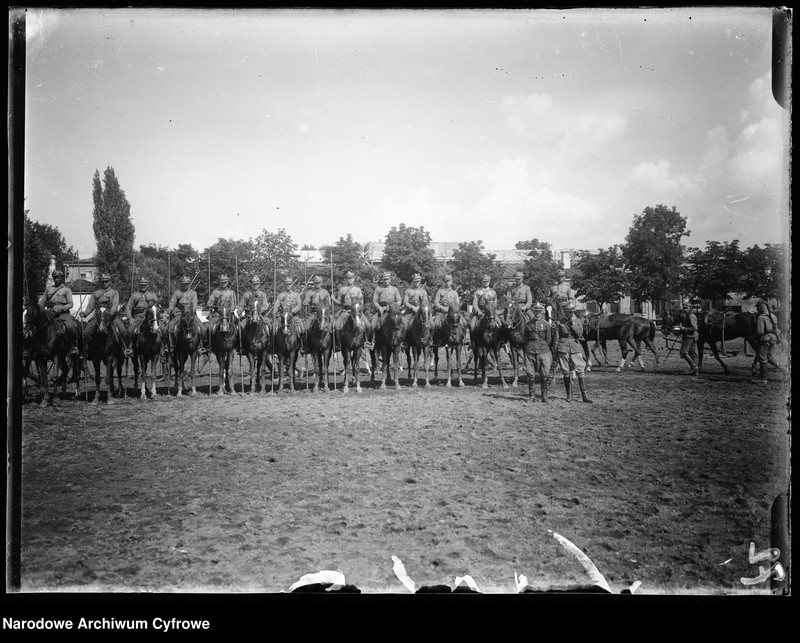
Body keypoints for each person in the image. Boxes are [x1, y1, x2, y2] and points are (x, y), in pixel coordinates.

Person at [554, 301, 593, 403]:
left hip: (575, 347)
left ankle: (584, 395)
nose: (571, 313)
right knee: (565, 371)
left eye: (572, 311)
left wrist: (573, 324)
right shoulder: (560, 322)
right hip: (563, 347)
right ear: (565, 311)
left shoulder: (579, 321)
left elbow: (579, 334)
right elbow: (557, 337)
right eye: (568, 311)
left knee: (580, 369)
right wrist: (555, 351)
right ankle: (569, 395)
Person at [80, 273, 128, 350]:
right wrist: (85, 313)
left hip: (112, 317)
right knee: (86, 332)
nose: (104, 283)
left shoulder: (114, 292)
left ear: (110, 282)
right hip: (98, 317)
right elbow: (91, 306)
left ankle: (124, 349)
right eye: (102, 281)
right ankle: (86, 350)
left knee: (123, 331)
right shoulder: (96, 293)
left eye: (106, 281)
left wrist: (110, 313)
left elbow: (115, 305)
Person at [38, 269, 79, 355]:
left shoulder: (66, 290)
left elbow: (70, 304)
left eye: (58, 278)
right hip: (50, 313)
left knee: (70, 327)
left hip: (63, 314)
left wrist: (61, 308)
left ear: (61, 278)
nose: (56, 279)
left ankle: (73, 347)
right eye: (55, 278)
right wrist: (38, 308)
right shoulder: (48, 289)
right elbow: (42, 302)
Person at [523, 302, 554, 402]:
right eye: (535, 311)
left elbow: (549, 339)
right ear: (533, 311)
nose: (537, 313)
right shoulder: (528, 324)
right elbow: (525, 339)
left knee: (544, 373)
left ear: (542, 312)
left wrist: (542, 347)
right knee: (530, 374)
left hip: (543, 351)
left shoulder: (546, 324)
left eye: (539, 311)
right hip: (530, 350)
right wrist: (529, 347)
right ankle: (531, 395)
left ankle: (544, 396)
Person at [750, 300, 786, 383]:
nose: (757, 309)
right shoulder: (773, 316)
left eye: (758, 307)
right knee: (768, 357)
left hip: (765, 340)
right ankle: (785, 371)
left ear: (761, 307)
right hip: (773, 339)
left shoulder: (761, 317)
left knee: (762, 358)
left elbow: (760, 332)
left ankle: (763, 378)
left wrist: (753, 338)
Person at [125, 277, 166, 344]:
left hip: (151, 318)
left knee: (164, 329)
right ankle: (129, 349)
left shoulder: (152, 295)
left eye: (145, 285)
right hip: (138, 317)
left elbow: (157, 308)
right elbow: (128, 308)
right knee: (130, 331)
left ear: (148, 285)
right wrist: (130, 318)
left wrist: (159, 317)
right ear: (139, 285)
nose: (143, 286)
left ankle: (164, 347)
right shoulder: (135, 295)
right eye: (141, 285)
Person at [166, 275, 201, 354]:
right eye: (184, 283)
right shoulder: (177, 293)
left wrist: (191, 312)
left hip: (191, 315)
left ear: (189, 284)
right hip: (179, 314)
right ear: (181, 284)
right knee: (170, 327)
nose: (185, 285)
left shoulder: (193, 293)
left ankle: (201, 347)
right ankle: (171, 346)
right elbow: (172, 303)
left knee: (202, 328)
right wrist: (170, 310)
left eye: (187, 283)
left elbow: (194, 304)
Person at [206, 274, 238, 345]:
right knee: (209, 328)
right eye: (222, 282)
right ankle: (209, 345)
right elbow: (210, 302)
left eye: (225, 282)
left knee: (238, 327)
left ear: (227, 282)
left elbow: (233, 304)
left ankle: (237, 345)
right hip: (217, 315)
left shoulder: (231, 292)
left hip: (228, 315)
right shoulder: (215, 292)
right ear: (219, 282)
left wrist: (230, 310)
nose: (223, 284)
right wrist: (210, 303)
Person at [275, 275, 305, 342]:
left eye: (289, 284)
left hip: (293, 317)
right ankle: (273, 348)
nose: (288, 285)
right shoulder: (280, 295)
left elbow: (299, 305)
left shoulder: (296, 295)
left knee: (302, 329)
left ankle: (302, 346)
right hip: (282, 317)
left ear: (292, 284)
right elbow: (276, 306)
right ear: (284, 285)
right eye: (287, 284)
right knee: (273, 329)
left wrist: (291, 311)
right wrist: (275, 313)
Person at [677, 299, 699, 376]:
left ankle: (694, 367)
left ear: (690, 308)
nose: (685, 309)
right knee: (693, 354)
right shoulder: (687, 316)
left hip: (690, 337)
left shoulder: (691, 316)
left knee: (683, 352)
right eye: (684, 308)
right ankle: (695, 371)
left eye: (686, 307)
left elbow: (695, 328)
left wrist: (684, 329)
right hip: (691, 336)